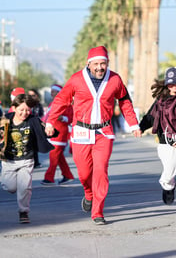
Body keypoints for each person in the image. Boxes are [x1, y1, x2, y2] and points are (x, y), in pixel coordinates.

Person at [45, 46, 142, 225]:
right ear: (89, 64)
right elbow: (61, 100)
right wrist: (50, 121)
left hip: (104, 133)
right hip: (81, 131)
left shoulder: (115, 79)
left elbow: (125, 101)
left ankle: (98, 211)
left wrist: (133, 123)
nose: (99, 67)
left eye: (103, 63)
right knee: (84, 173)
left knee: (100, 171)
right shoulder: (76, 80)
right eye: (96, 63)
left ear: (107, 64)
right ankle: (88, 194)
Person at [0, 94, 56, 224]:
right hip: (8, 160)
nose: (25, 113)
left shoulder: (33, 120)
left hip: (27, 159)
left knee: (25, 187)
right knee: (10, 187)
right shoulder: (5, 120)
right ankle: (15, 189)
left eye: (28, 110)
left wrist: (50, 129)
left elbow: (47, 129)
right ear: (14, 108)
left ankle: (23, 211)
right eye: (22, 110)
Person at [139, 67, 176, 220]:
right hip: (166, 143)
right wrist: (140, 127)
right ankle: (168, 186)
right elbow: (150, 117)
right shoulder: (161, 100)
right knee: (169, 173)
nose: (173, 87)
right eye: (170, 84)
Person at [41, 84, 75, 186]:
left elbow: (70, 118)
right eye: (51, 91)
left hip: (60, 134)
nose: (51, 93)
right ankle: (67, 175)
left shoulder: (66, 103)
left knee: (54, 156)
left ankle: (49, 178)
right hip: (52, 133)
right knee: (59, 157)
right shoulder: (52, 103)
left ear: (59, 92)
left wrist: (62, 118)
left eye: (54, 91)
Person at [28, 88, 44, 168]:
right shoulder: (26, 104)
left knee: (35, 145)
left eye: (33, 95)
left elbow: (41, 115)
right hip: (27, 126)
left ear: (36, 96)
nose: (31, 97)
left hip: (36, 126)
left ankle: (36, 162)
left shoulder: (38, 105)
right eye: (29, 95)